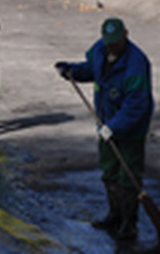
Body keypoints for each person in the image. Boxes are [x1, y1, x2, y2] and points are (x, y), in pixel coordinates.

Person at [55, 17, 154, 243]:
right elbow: (92, 69)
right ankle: (114, 215)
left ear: (125, 35)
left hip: (130, 129)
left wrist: (115, 126)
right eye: (108, 42)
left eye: (115, 43)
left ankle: (129, 223)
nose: (111, 47)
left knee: (128, 173)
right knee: (109, 170)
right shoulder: (101, 49)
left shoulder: (136, 64)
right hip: (105, 121)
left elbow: (137, 106)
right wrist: (72, 70)